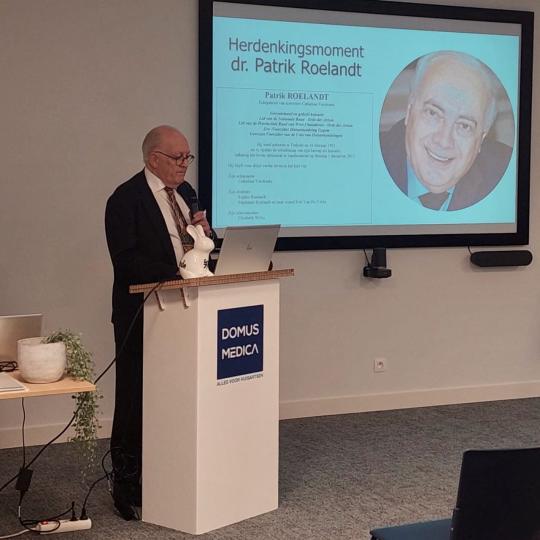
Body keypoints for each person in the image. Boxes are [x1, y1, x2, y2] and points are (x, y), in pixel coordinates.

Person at [105, 125, 212, 519]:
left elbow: (198, 249)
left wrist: (205, 235)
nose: (185, 164)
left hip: (186, 311)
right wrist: (179, 269)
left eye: (188, 157)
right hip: (143, 313)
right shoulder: (125, 199)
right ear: (153, 159)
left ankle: (170, 472)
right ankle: (126, 483)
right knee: (134, 398)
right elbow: (126, 261)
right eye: (177, 157)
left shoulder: (186, 194)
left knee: (177, 395)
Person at [380, 51, 512, 211]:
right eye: (433, 113)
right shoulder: (368, 159)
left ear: (481, 139)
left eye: (464, 126)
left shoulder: (510, 176)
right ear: (409, 111)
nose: (444, 141)